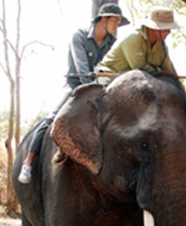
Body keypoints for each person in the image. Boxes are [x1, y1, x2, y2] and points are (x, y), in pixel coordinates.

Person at [18, 3, 129, 184]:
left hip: (102, 89)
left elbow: (114, 68)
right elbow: (82, 70)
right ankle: (28, 162)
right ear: (103, 19)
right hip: (75, 86)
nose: (117, 25)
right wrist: (94, 91)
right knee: (51, 118)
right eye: (115, 20)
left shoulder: (112, 43)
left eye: (119, 22)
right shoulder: (79, 36)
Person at [97, 6, 180, 80]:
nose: (169, 32)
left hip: (132, 82)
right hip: (109, 76)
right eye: (165, 29)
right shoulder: (133, 38)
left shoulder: (162, 47)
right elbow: (140, 68)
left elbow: (170, 71)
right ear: (154, 28)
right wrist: (161, 73)